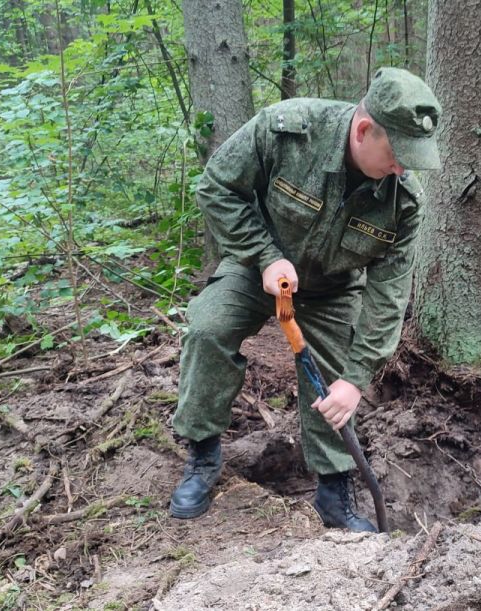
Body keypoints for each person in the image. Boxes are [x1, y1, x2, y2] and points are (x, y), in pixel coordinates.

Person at [169, 67, 442, 532]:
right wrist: (265, 256)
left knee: (335, 381)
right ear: (363, 130)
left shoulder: (405, 202)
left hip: (334, 287)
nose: (403, 168)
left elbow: (389, 295)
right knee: (208, 328)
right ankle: (203, 456)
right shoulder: (288, 131)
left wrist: (356, 379)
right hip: (258, 268)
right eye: (397, 154)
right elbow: (216, 187)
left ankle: (334, 492)